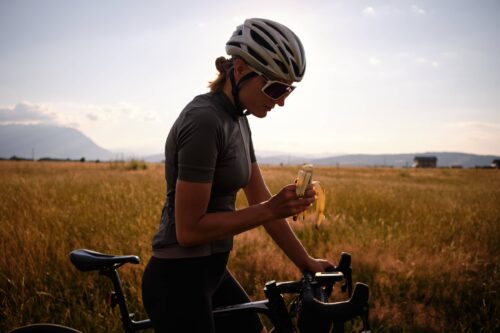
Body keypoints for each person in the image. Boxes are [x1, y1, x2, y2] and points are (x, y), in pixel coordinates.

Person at [141, 18, 334, 333]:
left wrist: (306, 262)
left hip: (210, 272)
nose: (281, 100)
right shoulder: (204, 121)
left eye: (288, 90)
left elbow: (262, 201)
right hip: (178, 278)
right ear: (241, 70)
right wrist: (270, 208)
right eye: (274, 88)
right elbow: (189, 231)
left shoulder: (239, 122)